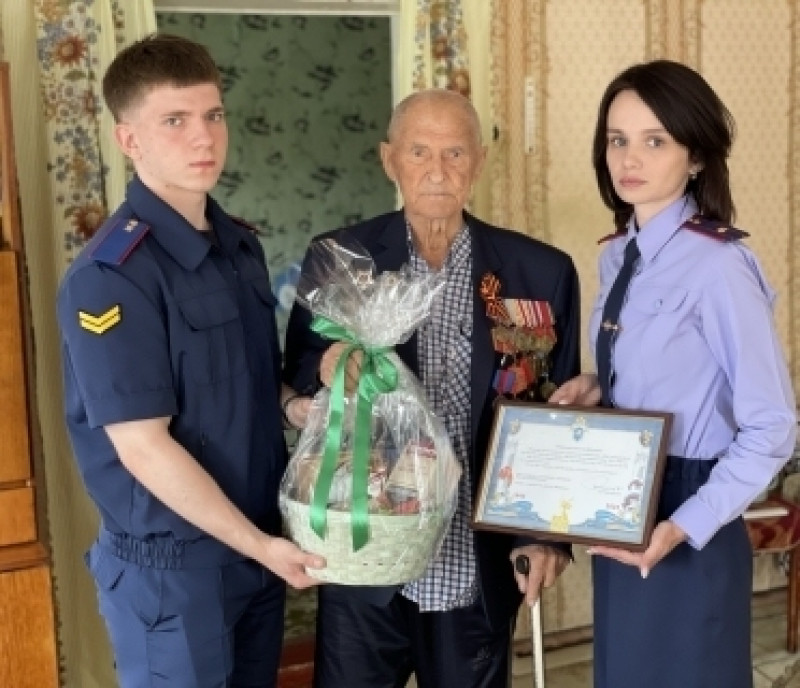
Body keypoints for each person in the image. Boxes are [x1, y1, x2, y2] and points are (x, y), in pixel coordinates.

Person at [283, 88, 581, 688]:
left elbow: (558, 413)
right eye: (419, 151)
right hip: (363, 551)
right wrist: (326, 372)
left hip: (475, 562)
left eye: (455, 153)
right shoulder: (342, 260)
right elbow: (298, 375)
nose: (437, 171)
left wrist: (543, 536)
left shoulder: (541, 271)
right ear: (389, 159)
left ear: (479, 161)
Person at [56, 34, 325, 688]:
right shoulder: (111, 276)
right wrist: (259, 545)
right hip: (174, 571)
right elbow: (143, 446)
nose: (203, 137)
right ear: (129, 140)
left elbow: (243, 382)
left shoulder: (238, 248)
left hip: (255, 547)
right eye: (174, 120)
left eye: (213, 115)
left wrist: (297, 407)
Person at [549, 59, 797, 688]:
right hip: (623, 499)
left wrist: (685, 524)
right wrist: (600, 383)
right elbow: (670, 364)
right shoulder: (617, 256)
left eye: (654, 140)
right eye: (617, 139)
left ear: (696, 157)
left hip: (689, 510)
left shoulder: (719, 266)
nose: (629, 158)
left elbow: (773, 426)